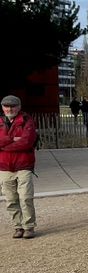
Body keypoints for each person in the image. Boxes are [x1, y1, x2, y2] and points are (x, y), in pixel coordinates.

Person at [1, 95, 39, 239]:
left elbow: (26, 142)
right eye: (6, 106)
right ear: (3, 107)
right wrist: (12, 139)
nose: (9, 109)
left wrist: (3, 145)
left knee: (25, 198)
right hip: (5, 167)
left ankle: (29, 226)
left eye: (13, 106)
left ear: (19, 107)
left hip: (24, 165)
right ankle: (18, 226)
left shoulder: (27, 121)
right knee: (11, 200)